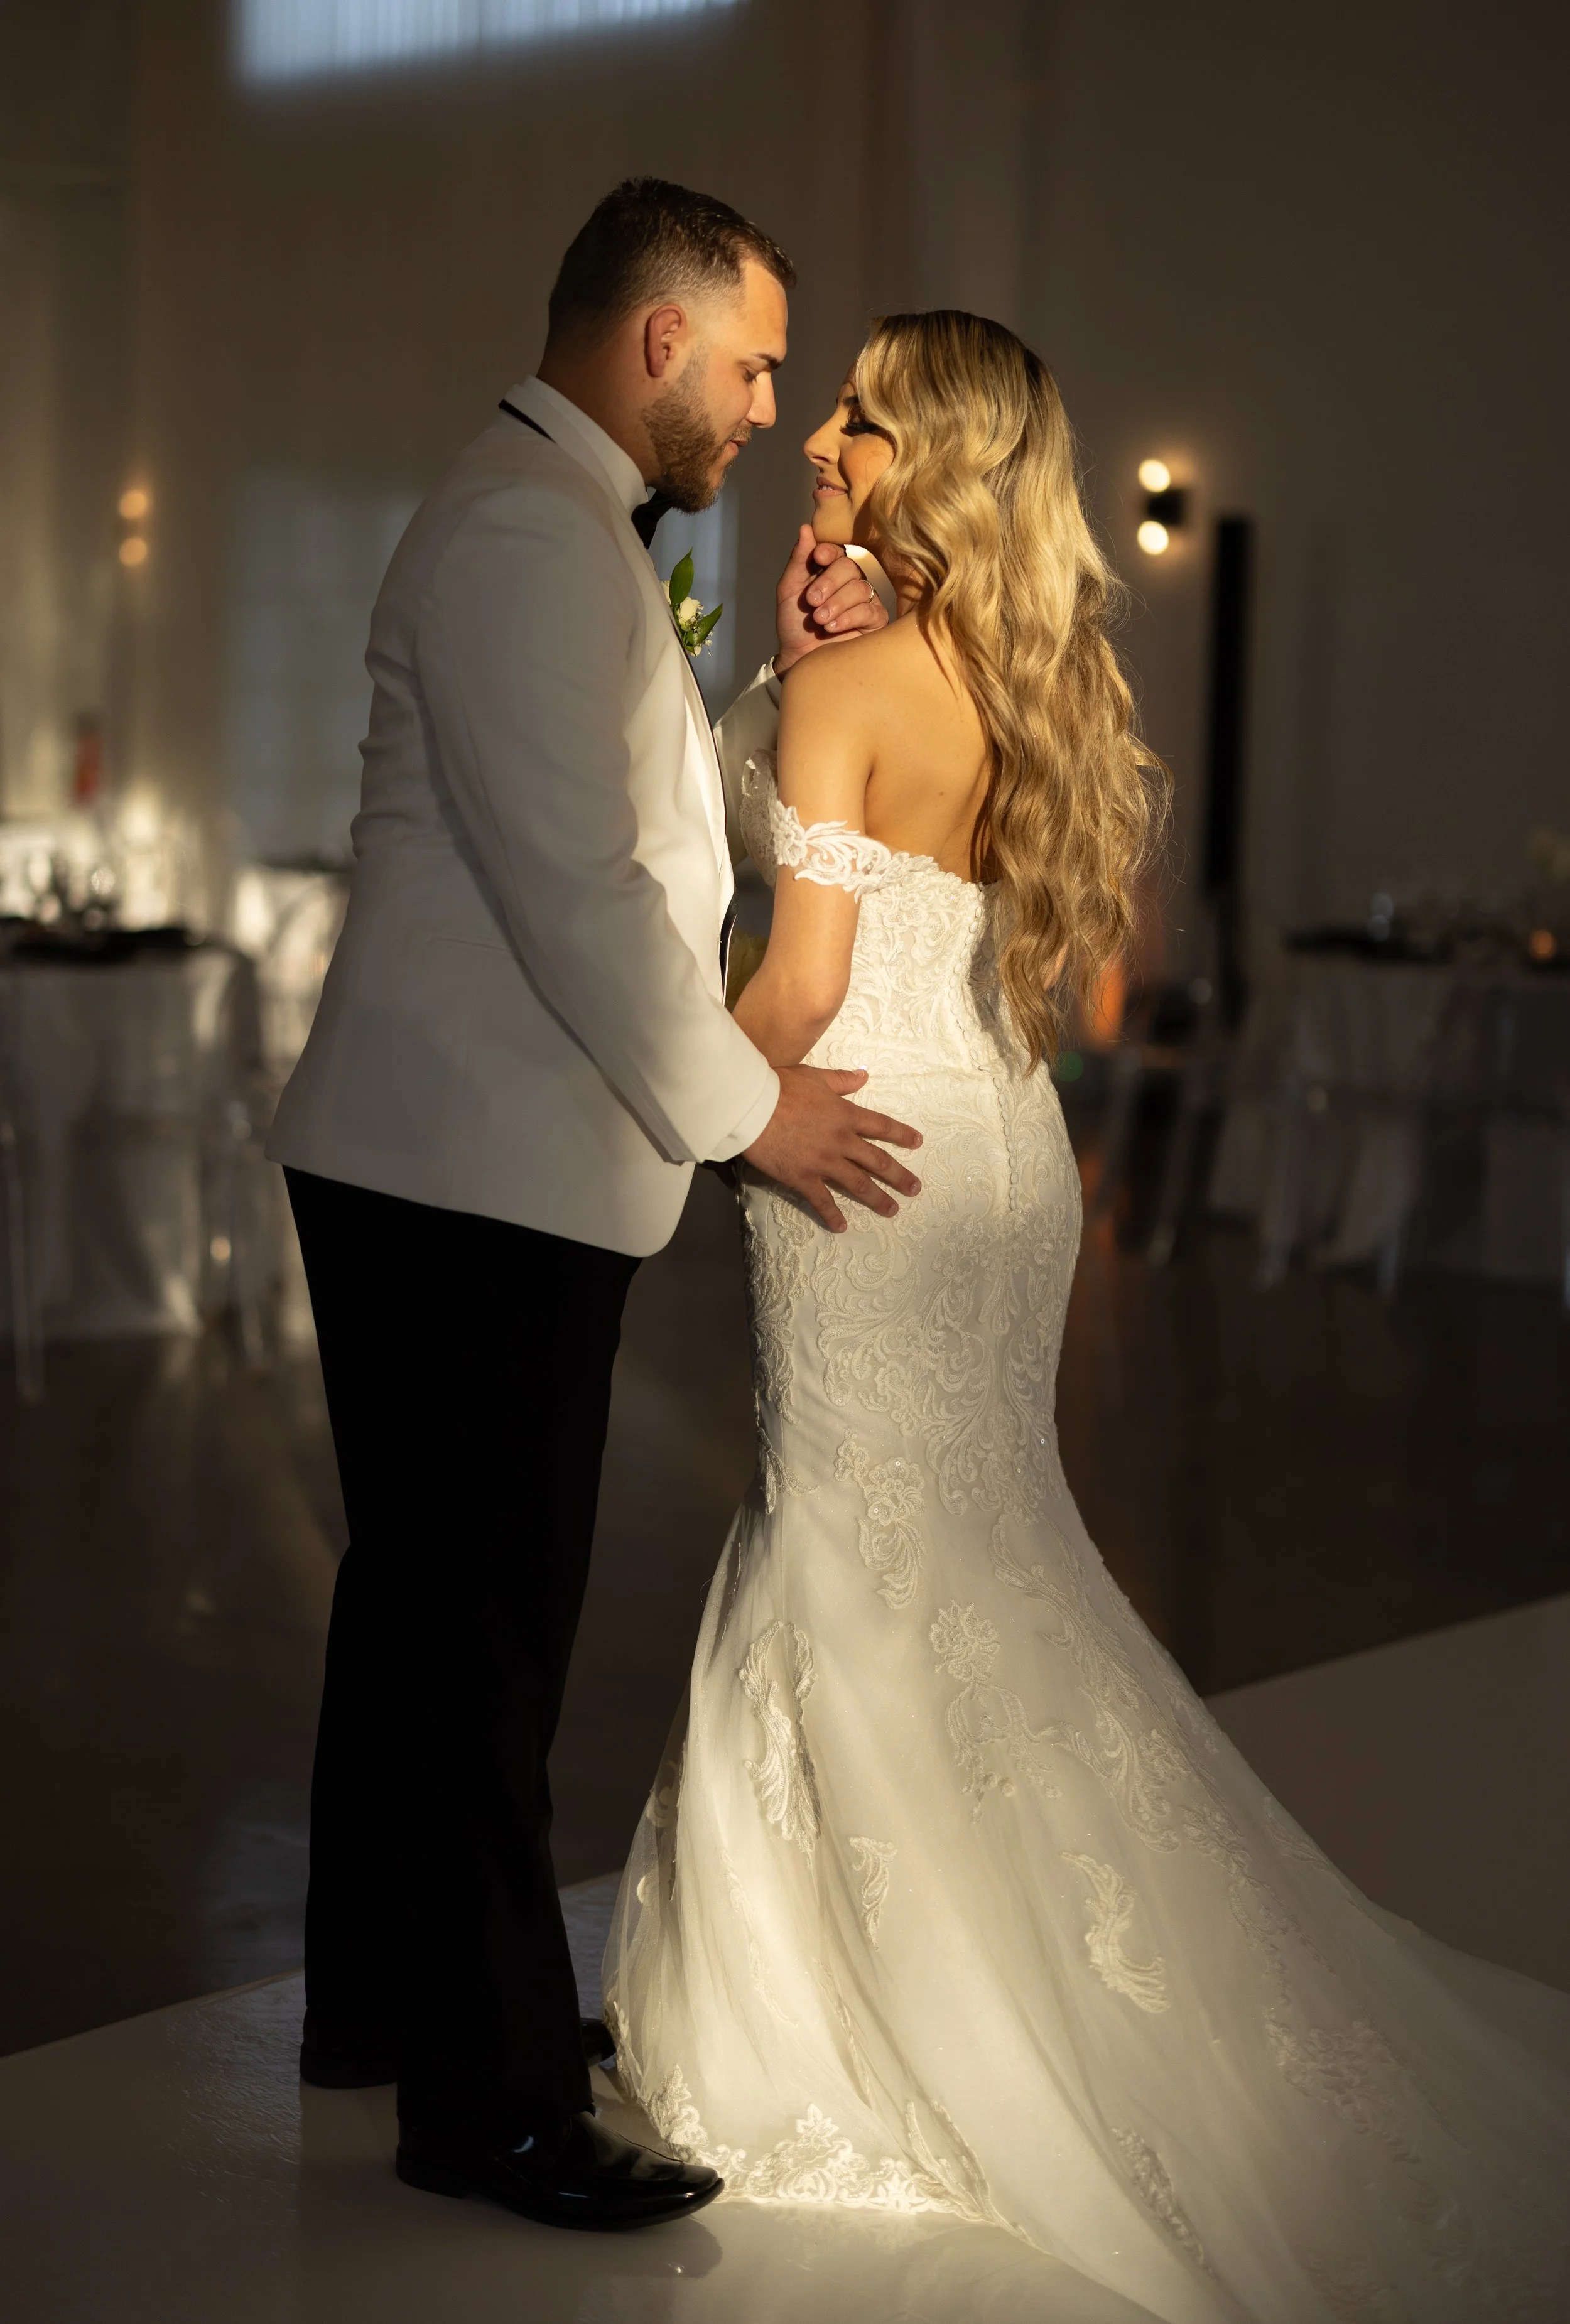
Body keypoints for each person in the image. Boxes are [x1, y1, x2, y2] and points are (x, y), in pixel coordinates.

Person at [604, 313, 1570, 2318]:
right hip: (1001, 1151)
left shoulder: (845, 683)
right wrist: (800, 664)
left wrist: (655, 1100)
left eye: (860, 412)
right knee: (978, 1553)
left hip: (852, 1150)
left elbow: (789, 1000)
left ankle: (895, 2012)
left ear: (917, 462)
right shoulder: (1007, 672)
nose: (827, 437)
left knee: (866, 1558)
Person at [265, 178, 921, 2233]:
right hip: (467, 1170)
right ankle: (489, 2105)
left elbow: (622, 813)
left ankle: (378, 2004)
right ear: (655, 342)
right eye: (747, 367)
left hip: (449, 1155)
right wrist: (751, 1117)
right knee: (477, 1641)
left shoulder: (545, 528)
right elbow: (582, 898)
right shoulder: (522, 539)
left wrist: (757, 690)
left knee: (416, 1612)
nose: (761, 412)